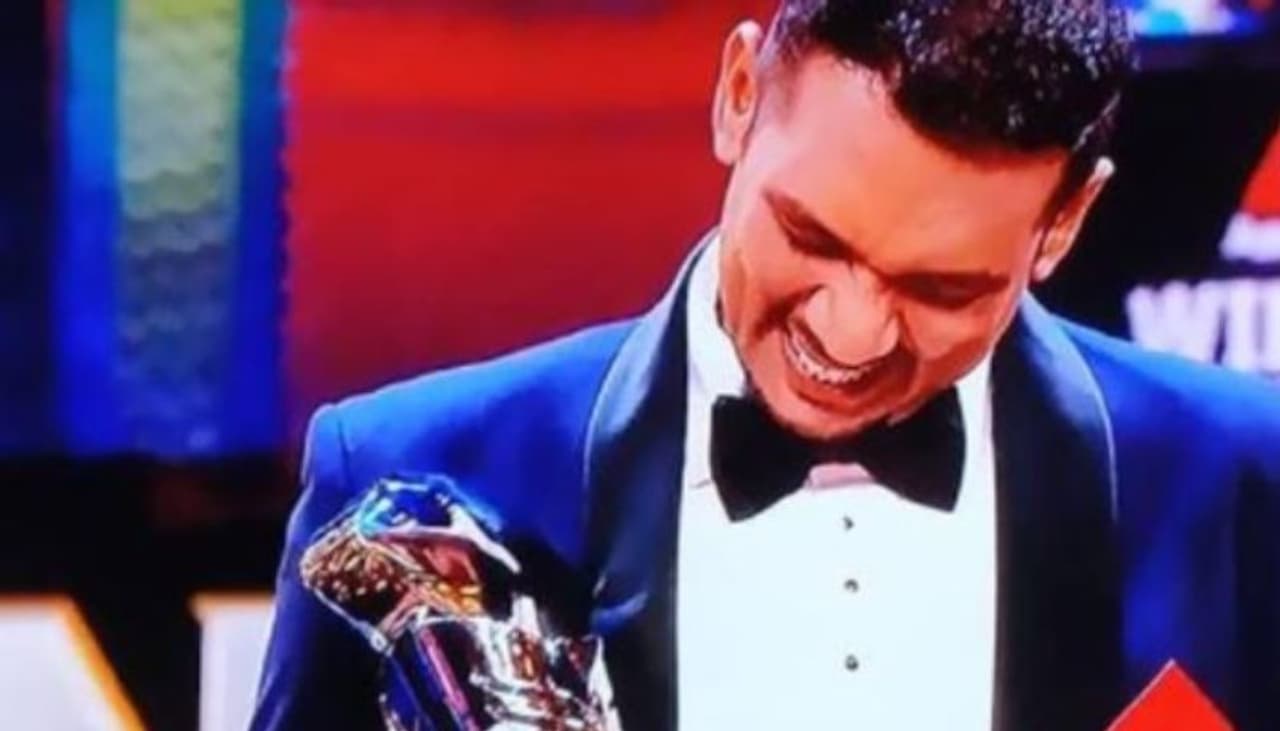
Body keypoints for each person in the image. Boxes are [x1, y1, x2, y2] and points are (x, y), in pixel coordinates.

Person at [252, 1, 1280, 729]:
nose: (851, 333)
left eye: (942, 289)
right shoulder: (406, 473)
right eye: (810, 237)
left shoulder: (1242, 482)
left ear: (1063, 222)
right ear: (738, 94)